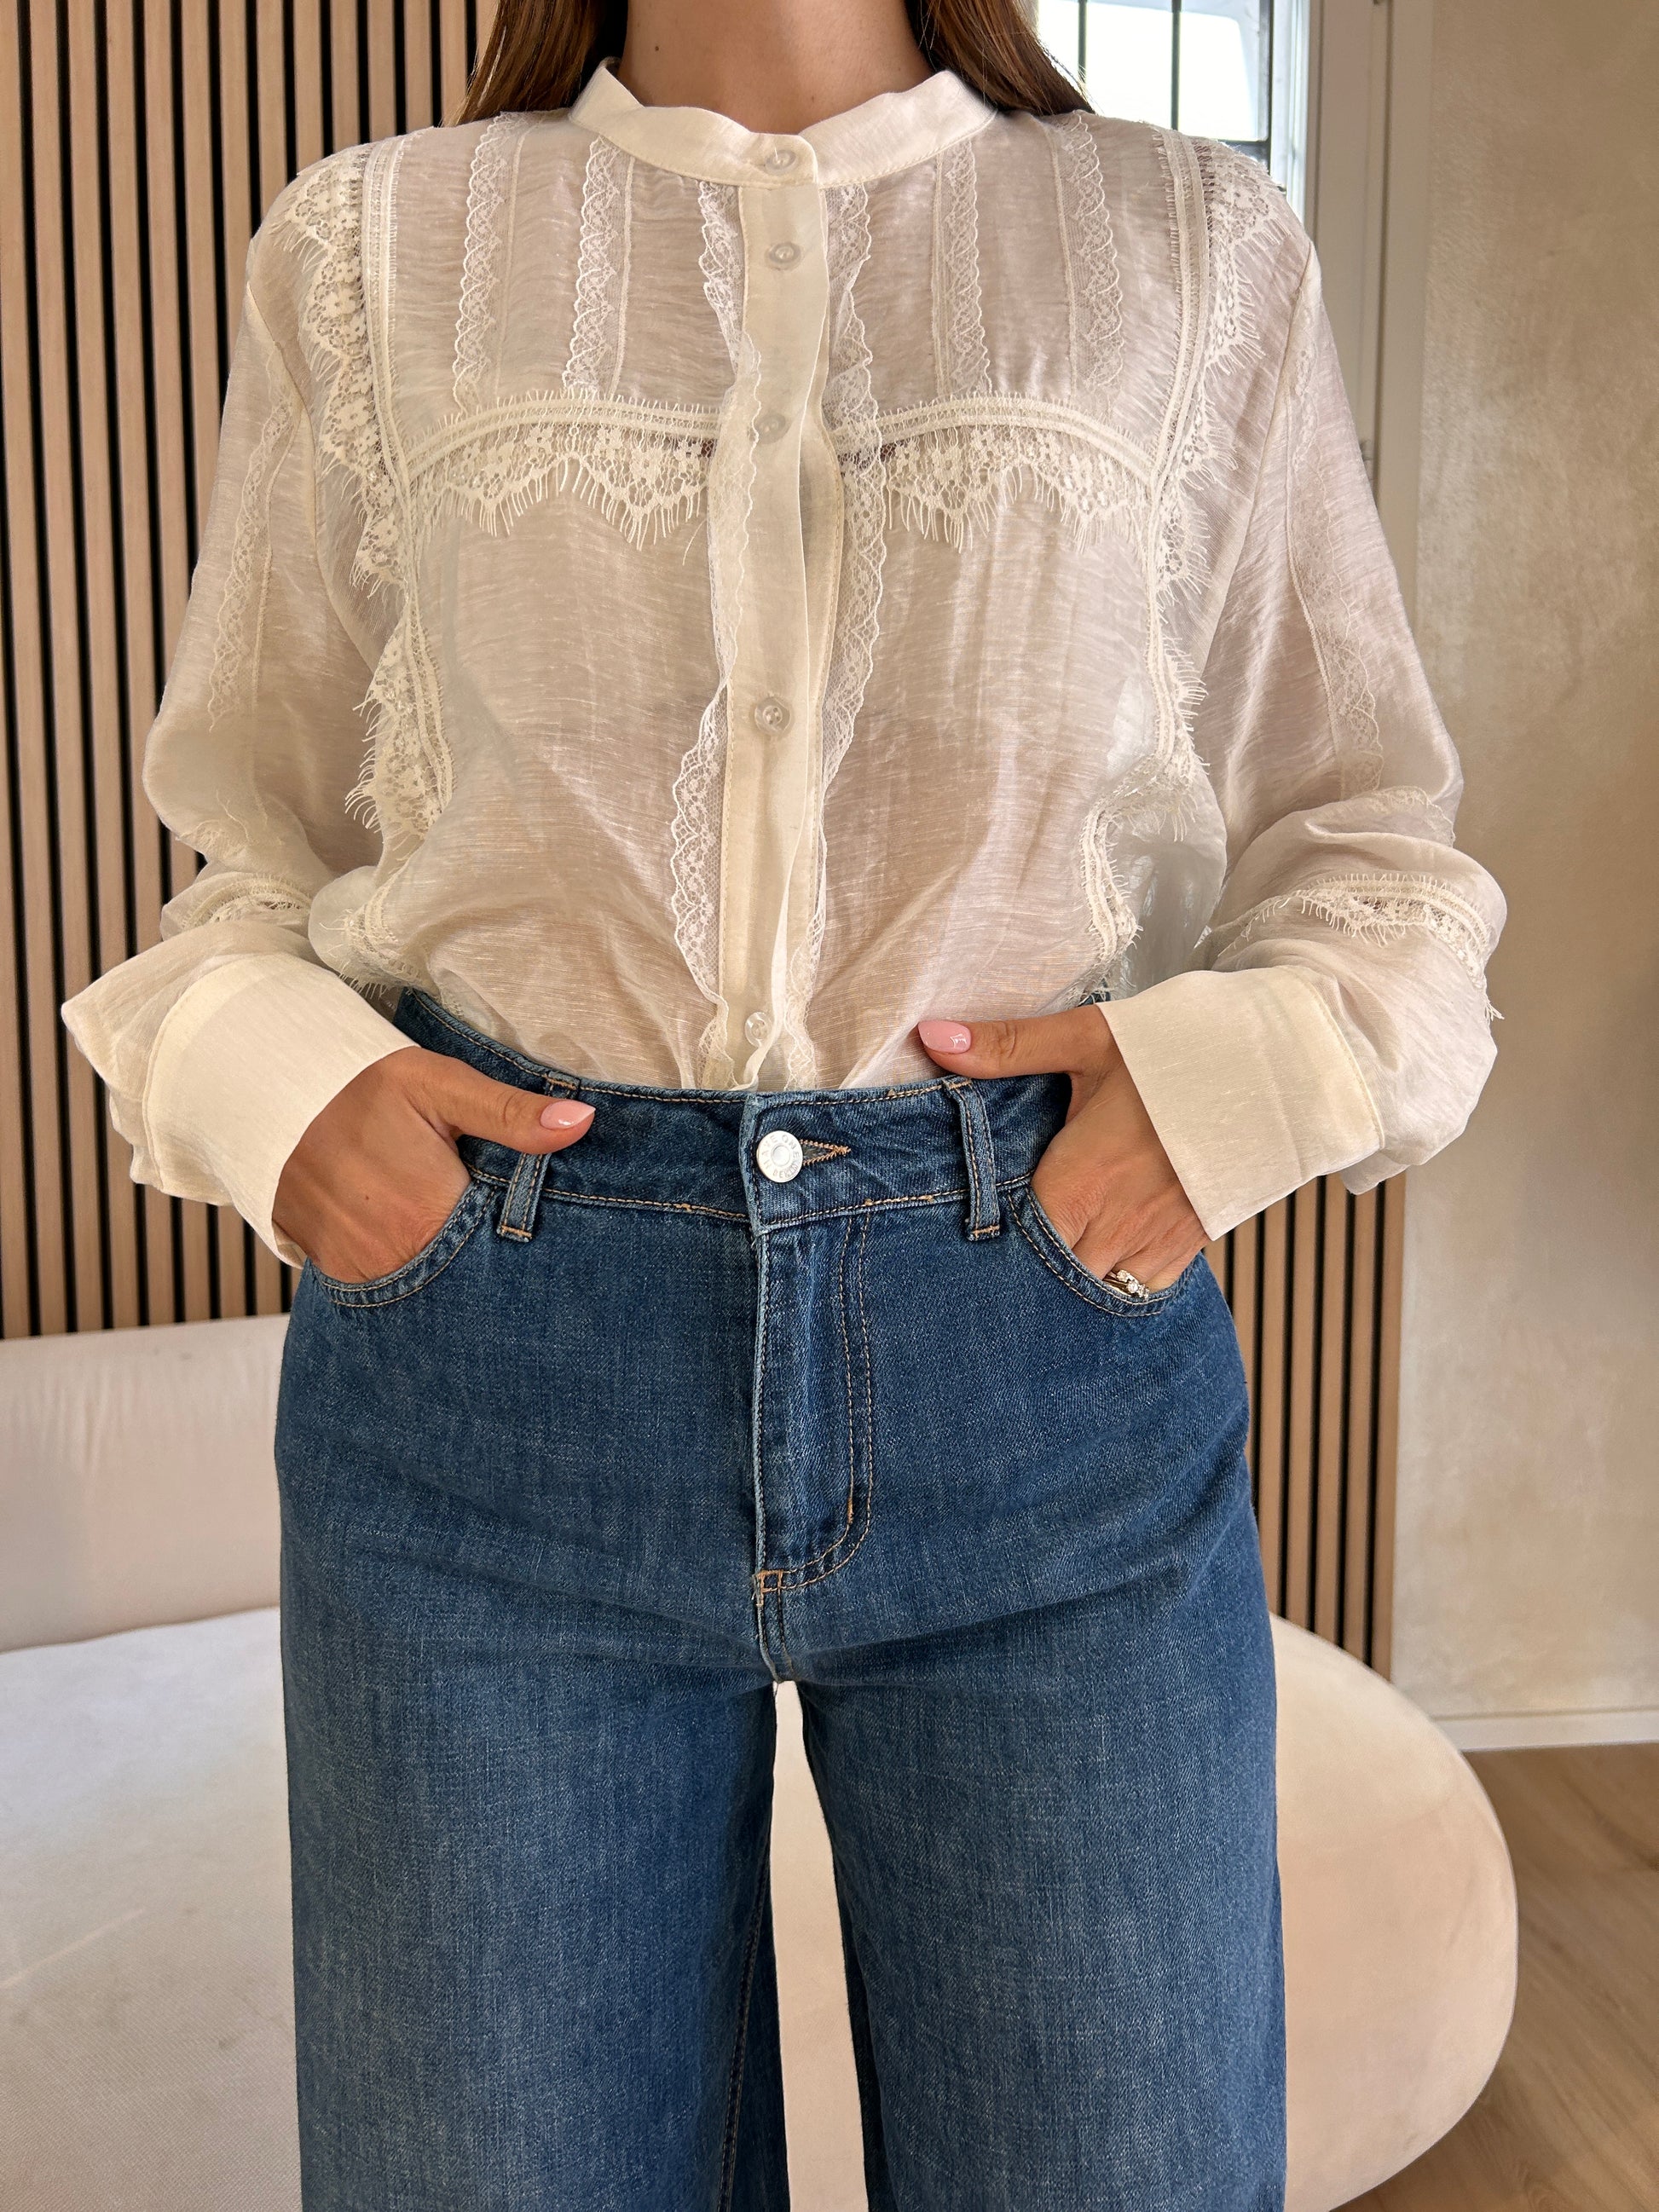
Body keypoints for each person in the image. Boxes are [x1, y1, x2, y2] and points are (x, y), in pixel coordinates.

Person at [61, 1, 1506, 2204]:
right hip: (488, 1392)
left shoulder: (1189, 245)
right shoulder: (373, 248)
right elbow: (244, 846)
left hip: (1039, 1372)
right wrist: (272, 1080)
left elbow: (1368, 847)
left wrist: (1227, 1088)